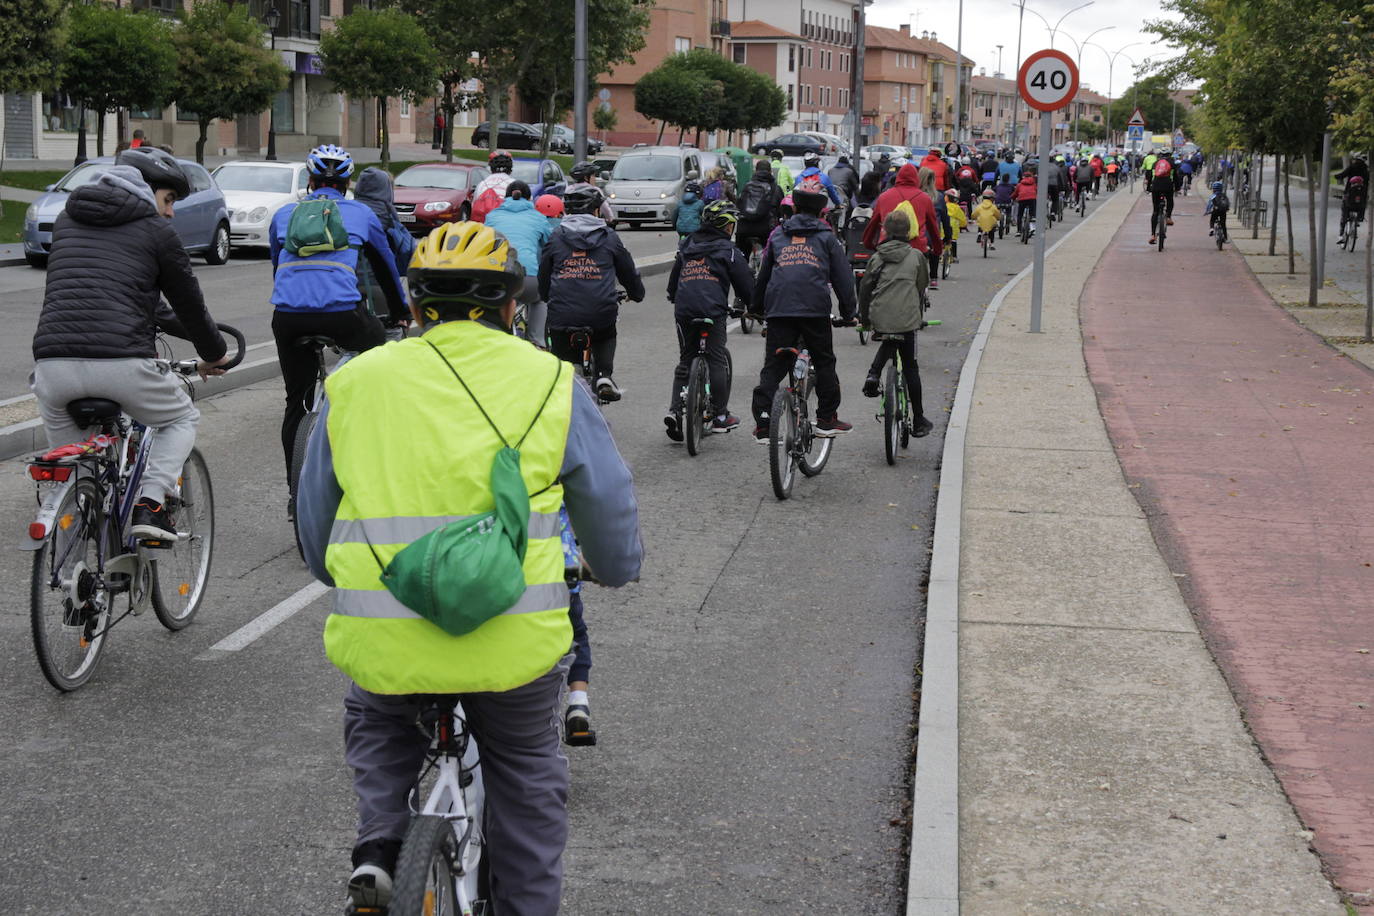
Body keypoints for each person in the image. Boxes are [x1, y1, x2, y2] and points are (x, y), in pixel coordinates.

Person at [295, 219, 643, 915]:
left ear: (416, 308)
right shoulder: (552, 380)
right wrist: (616, 567)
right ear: (513, 306)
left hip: (385, 626)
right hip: (511, 638)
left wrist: (337, 575)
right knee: (528, 785)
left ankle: (380, 846)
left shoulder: (353, 381)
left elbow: (314, 520)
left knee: (378, 717)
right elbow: (604, 506)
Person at [31, 148, 230, 541]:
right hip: (121, 364)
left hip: (52, 370)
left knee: (75, 471)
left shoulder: (68, 219)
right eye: (169, 199)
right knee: (181, 419)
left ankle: (80, 571)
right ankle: (151, 503)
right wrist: (214, 353)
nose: (170, 211)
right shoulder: (157, 233)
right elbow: (189, 305)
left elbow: (118, 294)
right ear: (145, 187)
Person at [269, 144, 406, 490]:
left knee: (295, 402)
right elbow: (386, 267)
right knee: (378, 362)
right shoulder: (361, 214)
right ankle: (372, 449)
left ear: (311, 182)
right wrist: (401, 311)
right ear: (347, 183)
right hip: (343, 314)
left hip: (288, 316)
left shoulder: (284, 215)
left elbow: (277, 266)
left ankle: (294, 492)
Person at [748, 181, 857, 440]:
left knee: (773, 366)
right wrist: (849, 311)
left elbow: (764, 275)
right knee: (824, 361)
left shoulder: (777, 235)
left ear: (794, 208)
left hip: (779, 309)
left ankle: (763, 423)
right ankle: (826, 419)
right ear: (822, 212)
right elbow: (842, 277)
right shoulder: (827, 237)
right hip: (814, 310)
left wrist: (756, 307)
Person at [538, 185, 645, 401]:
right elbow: (627, 271)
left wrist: (547, 296)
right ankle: (604, 376)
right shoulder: (609, 237)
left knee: (561, 351)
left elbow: (544, 273)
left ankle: (566, 376)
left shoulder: (556, 236)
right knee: (606, 331)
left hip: (562, 313)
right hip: (599, 311)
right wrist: (636, 293)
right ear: (597, 210)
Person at [665, 200, 753, 439]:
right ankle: (720, 416)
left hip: (685, 309)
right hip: (712, 310)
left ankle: (675, 410)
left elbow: (674, 278)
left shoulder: (687, 244)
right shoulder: (730, 251)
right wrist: (753, 308)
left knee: (686, 358)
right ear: (727, 227)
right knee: (716, 359)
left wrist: (673, 295)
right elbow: (745, 285)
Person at [857, 209, 935, 439]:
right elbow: (921, 287)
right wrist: (917, 315)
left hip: (880, 316)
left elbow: (865, 290)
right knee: (910, 366)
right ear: (910, 231)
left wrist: (864, 318)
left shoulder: (877, 257)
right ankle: (919, 418)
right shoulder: (917, 256)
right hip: (907, 318)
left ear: (885, 231)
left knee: (888, 338)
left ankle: (873, 374)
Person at [485, 180, 554, 344]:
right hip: (528, 277)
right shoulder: (538, 218)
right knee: (540, 298)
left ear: (506, 197)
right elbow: (551, 246)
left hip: (497, 278)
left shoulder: (492, 216)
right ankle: (537, 341)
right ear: (529, 199)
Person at [352, 166, 416, 336]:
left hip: (348, 284)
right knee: (391, 333)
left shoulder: (347, 211)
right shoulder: (386, 214)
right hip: (378, 283)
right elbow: (401, 251)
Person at [861, 162, 943, 285]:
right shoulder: (925, 199)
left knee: (874, 281)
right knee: (920, 283)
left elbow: (872, 225)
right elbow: (933, 229)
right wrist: (937, 250)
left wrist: (869, 244)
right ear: (916, 178)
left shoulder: (883, 197)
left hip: (887, 246)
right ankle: (920, 297)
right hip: (915, 248)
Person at [735, 159, 784, 259]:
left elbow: (739, 205)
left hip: (744, 229)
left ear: (755, 171)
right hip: (766, 230)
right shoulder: (776, 189)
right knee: (770, 258)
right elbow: (781, 210)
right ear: (770, 172)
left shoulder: (747, 186)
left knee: (740, 257)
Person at [470, 149, 516, 222]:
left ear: (491, 167)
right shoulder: (515, 185)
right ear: (511, 168)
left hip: (484, 227)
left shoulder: (482, 185)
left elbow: (474, 206)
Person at [1148, 150, 1176, 245]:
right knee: (1170, 200)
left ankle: (1152, 235)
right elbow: (1176, 177)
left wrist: (1149, 188)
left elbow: (1149, 176)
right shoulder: (1172, 163)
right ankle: (1168, 217)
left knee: (1155, 211)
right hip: (1167, 186)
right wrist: (1177, 187)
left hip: (1156, 187)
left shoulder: (1155, 164)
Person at [942, 188, 968, 262]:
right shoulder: (957, 208)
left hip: (943, 227)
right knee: (953, 241)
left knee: (942, 240)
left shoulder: (943, 206)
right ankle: (954, 256)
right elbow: (962, 218)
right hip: (954, 229)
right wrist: (963, 225)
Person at [1014, 165, 1038, 236]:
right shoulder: (1033, 184)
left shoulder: (1019, 184)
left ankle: (1019, 230)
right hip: (1032, 199)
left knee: (1020, 215)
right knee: (1032, 212)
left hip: (1022, 199)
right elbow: (1036, 191)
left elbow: (1015, 193)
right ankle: (1033, 222)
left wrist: (1012, 198)